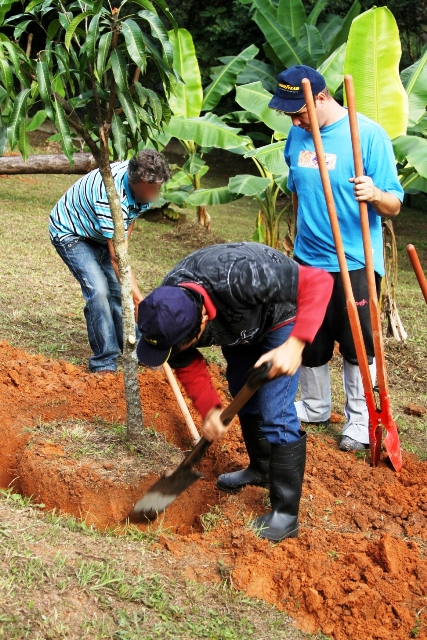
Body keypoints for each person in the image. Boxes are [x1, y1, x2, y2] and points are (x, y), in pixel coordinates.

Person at [136, 242, 333, 542]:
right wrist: (211, 409)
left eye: (178, 345)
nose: (173, 352)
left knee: (274, 410)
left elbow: (318, 282)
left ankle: (285, 515)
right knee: (242, 389)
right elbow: (185, 361)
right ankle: (262, 469)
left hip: (282, 316)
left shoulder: (239, 277)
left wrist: (295, 344)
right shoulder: (165, 311)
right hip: (241, 326)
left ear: (202, 322)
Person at [268, 65, 404, 451]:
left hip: (355, 261)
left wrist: (375, 194)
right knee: (310, 339)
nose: (294, 121)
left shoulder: (368, 137)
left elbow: (393, 204)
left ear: (323, 98)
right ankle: (314, 406)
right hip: (308, 259)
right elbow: (296, 191)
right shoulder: (297, 136)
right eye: (290, 115)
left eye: (299, 112)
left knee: (357, 341)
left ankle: (360, 419)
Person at [49, 150, 171, 374]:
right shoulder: (110, 196)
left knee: (118, 291)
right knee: (99, 291)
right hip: (72, 233)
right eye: (152, 189)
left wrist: (123, 247)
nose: (156, 194)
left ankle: (138, 351)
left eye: (158, 188)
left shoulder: (141, 178)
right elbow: (117, 258)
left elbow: (129, 220)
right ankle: (104, 361)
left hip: (102, 234)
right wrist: (138, 300)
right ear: (137, 183)